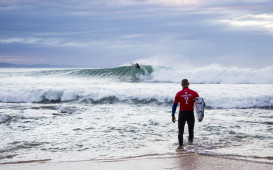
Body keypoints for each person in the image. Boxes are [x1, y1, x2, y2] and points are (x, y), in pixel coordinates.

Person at [172, 79, 199, 146]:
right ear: (188, 84)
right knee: (191, 130)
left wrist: (173, 115)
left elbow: (174, 105)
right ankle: (190, 146)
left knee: (180, 131)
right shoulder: (194, 93)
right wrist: (201, 115)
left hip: (182, 113)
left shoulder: (178, 93)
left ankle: (180, 146)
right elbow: (199, 105)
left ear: (181, 85)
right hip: (190, 113)